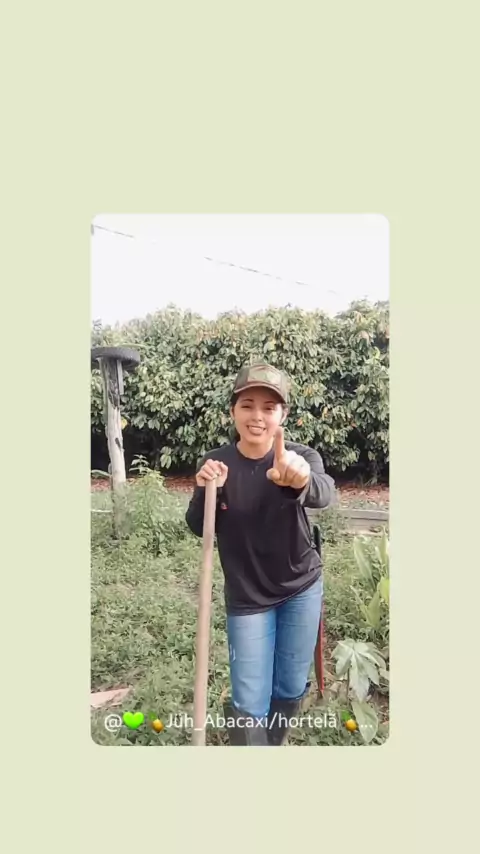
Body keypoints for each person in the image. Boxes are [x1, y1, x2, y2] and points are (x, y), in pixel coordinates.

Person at [185, 362, 336, 745]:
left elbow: (324, 492)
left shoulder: (300, 457)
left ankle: (274, 743)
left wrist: (299, 479)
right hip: (248, 596)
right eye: (247, 405)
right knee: (249, 700)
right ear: (232, 411)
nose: (257, 416)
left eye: (269, 408)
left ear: (283, 415)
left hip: (300, 588)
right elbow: (197, 525)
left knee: (290, 685)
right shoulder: (216, 463)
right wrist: (206, 490)